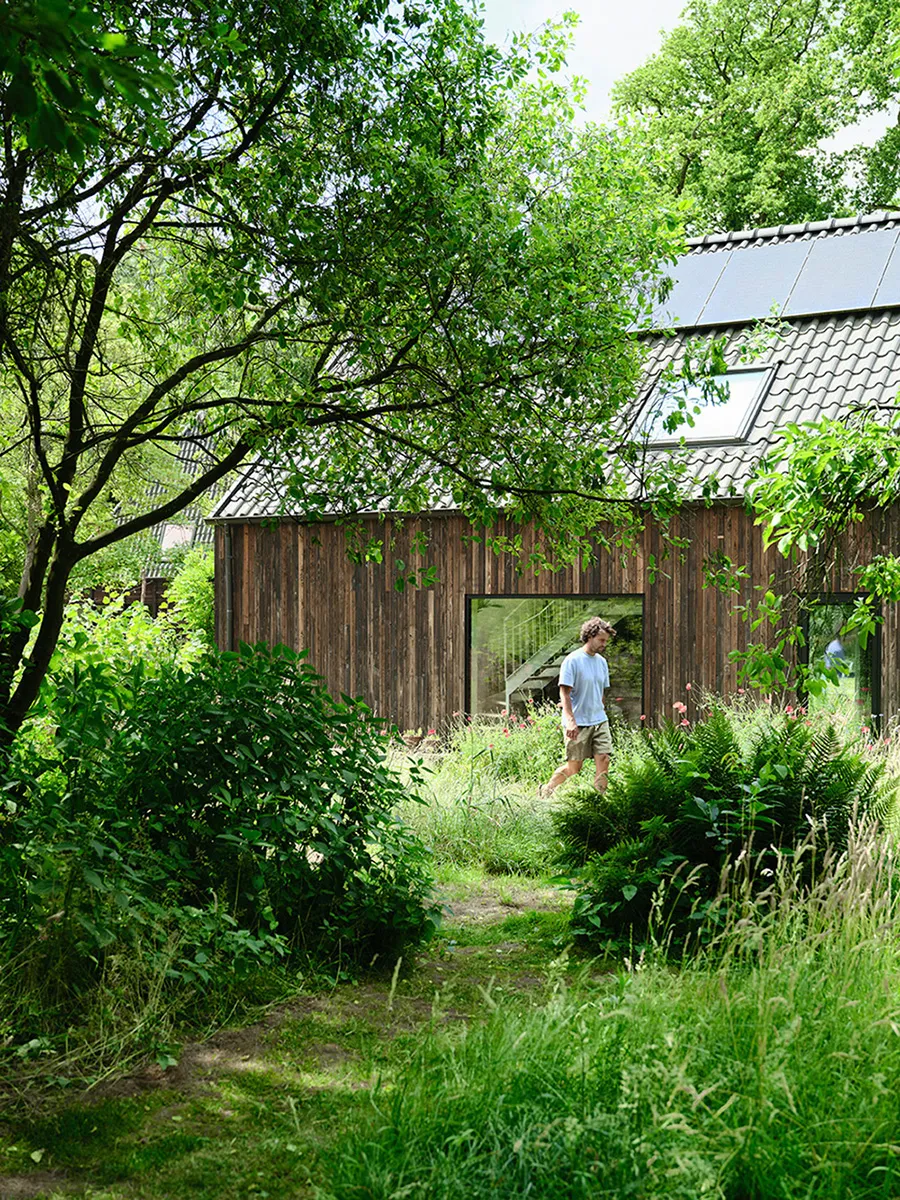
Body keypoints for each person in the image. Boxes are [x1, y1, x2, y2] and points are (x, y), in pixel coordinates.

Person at [540, 616, 614, 797]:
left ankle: (598, 802)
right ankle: (547, 789)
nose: (604, 644)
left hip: (599, 720)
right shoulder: (572, 660)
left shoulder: (602, 662)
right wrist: (570, 721)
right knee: (574, 767)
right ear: (590, 636)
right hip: (578, 722)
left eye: (606, 640)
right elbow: (564, 694)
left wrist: (601, 711)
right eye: (601, 640)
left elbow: (600, 692)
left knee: (604, 760)